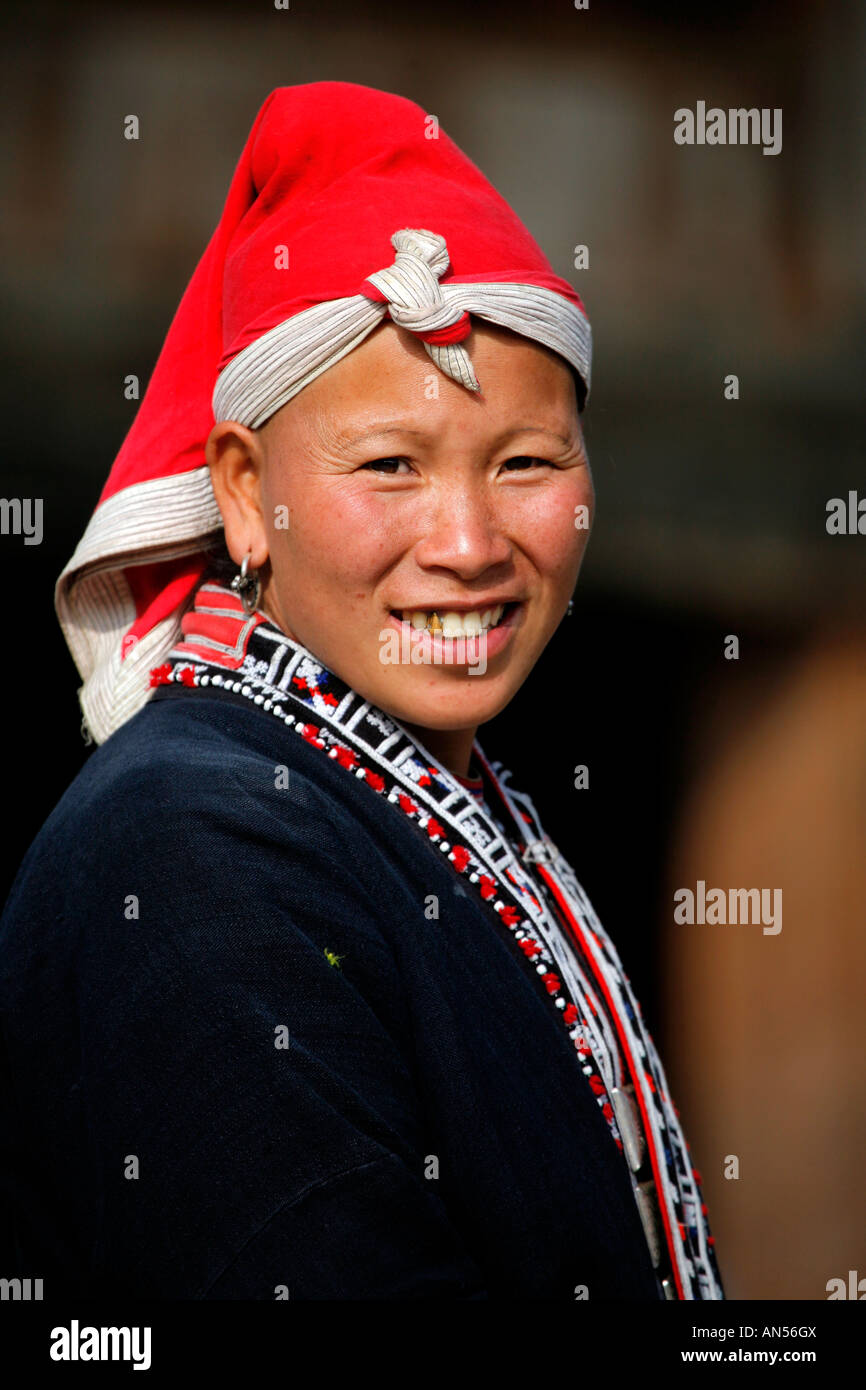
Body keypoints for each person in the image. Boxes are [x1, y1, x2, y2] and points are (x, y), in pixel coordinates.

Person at [0, 81, 724, 1300]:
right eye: (389, 465)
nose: (468, 542)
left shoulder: (420, 801)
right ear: (242, 493)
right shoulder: (191, 842)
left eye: (527, 462)